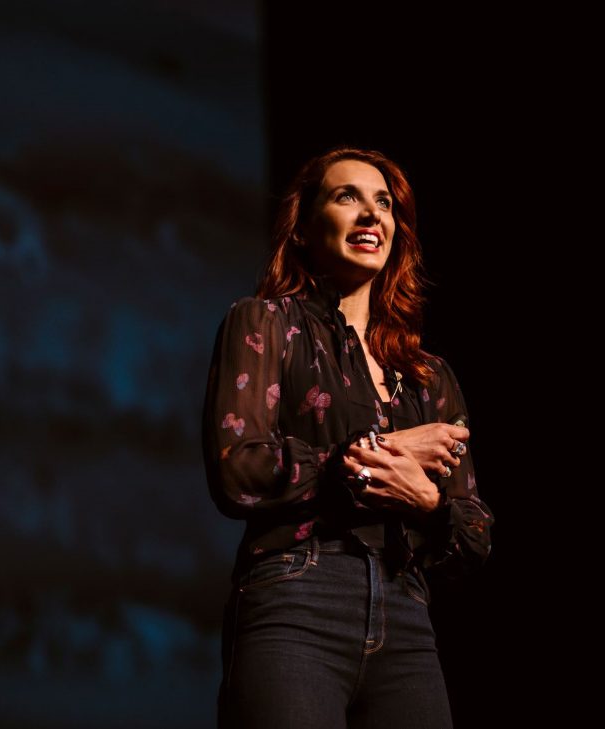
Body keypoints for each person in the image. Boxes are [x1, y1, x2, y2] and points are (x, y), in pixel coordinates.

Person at [201, 145, 495, 728]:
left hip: (407, 615)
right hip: (296, 600)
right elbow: (238, 471)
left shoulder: (429, 376)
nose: (371, 215)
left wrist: (429, 502)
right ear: (306, 228)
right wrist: (374, 456)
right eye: (347, 197)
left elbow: (475, 533)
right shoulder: (267, 323)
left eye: (383, 203)